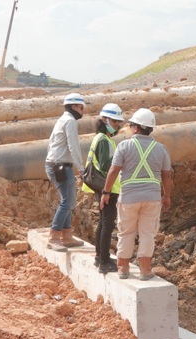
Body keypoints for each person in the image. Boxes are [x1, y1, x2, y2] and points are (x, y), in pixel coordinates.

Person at [101, 108, 172, 280]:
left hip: (128, 198)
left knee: (126, 233)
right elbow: (166, 175)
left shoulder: (124, 146)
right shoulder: (161, 149)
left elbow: (113, 170)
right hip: (152, 198)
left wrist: (106, 192)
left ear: (135, 128)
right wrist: (167, 196)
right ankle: (145, 270)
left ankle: (123, 269)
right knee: (148, 233)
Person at [81, 103, 125, 274]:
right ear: (105, 119)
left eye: (118, 122)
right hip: (108, 188)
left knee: (103, 222)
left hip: (103, 187)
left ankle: (100, 257)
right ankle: (104, 262)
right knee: (107, 223)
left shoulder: (100, 139)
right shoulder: (104, 140)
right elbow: (107, 165)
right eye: (114, 122)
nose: (116, 125)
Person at [45, 92, 86, 251]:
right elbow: (73, 146)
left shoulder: (62, 120)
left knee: (68, 200)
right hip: (60, 166)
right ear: (75, 106)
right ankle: (54, 236)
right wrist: (81, 169)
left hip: (56, 164)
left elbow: (51, 143)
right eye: (81, 107)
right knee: (67, 201)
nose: (83, 111)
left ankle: (66, 235)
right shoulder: (69, 122)